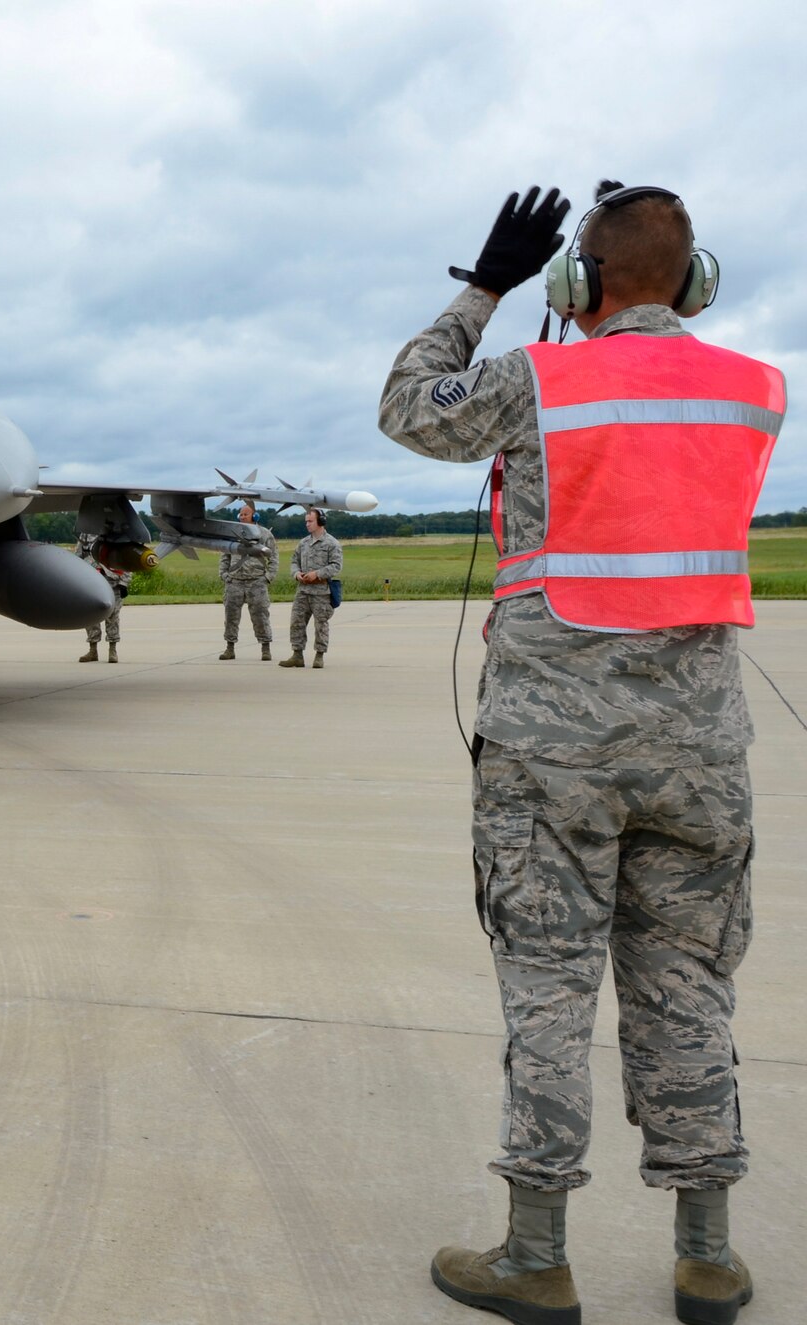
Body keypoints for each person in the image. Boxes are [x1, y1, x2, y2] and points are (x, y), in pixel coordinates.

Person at [380, 183, 782, 1325]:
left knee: (548, 992)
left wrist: (484, 285)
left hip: (548, 750)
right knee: (687, 987)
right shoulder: (756, 391)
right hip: (699, 746)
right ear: (694, 283)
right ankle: (706, 1257)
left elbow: (408, 406)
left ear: (577, 285)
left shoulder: (536, 380)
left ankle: (533, 1254)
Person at [277, 508, 340, 668]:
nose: (307, 524)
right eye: (306, 521)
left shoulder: (331, 543)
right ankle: (297, 655)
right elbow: (294, 561)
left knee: (321, 624)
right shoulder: (303, 543)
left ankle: (319, 655)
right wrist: (296, 573)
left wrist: (317, 574)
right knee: (296, 622)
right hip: (303, 591)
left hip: (321, 591)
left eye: (310, 521)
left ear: (321, 522)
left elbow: (336, 566)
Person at [217, 500, 276, 660]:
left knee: (261, 616)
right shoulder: (232, 533)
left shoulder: (264, 534)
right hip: (234, 581)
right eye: (240, 514)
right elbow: (224, 554)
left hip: (256, 582)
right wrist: (224, 574)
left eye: (245, 514)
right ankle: (230, 648)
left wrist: (268, 577)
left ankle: (265, 648)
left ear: (254, 516)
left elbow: (273, 557)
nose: (242, 517)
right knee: (231, 616)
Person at [74, 532, 132, 663]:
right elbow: (78, 558)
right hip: (90, 581)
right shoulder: (85, 535)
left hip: (113, 581)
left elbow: (127, 559)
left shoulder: (116, 534)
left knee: (113, 617)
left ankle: (113, 650)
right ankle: (93, 650)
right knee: (90, 616)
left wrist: (124, 583)